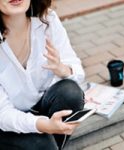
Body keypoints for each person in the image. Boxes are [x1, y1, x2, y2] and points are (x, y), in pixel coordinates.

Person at [0, 0, 85, 150]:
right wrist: (44, 126)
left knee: (70, 92)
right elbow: (3, 114)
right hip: (4, 120)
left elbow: (77, 70)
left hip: (37, 106)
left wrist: (61, 68)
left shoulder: (47, 19)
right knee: (42, 143)